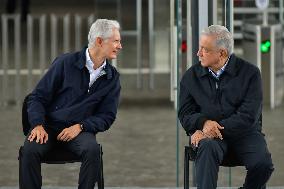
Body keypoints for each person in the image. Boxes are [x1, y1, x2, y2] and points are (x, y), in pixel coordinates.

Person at [21, 19, 122, 189]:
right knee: (29, 150)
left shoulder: (112, 78)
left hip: (79, 131)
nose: (120, 46)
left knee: (92, 150)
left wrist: (81, 126)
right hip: (48, 127)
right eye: (116, 41)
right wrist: (37, 125)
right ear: (99, 41)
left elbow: (107, 116)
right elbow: (37, 97)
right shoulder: (65, 63)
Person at [178, 25, 274, 189]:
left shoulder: (250, 73)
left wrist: (211, 128)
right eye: (199, 48)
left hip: (245, 135)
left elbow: (248, 116)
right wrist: (203, 123)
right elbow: (185, 113)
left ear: (221, 53)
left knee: (263, 164)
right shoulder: (190, 76)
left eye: (204, 49)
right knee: (207, 147)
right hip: (209, 139)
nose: (198, 53)